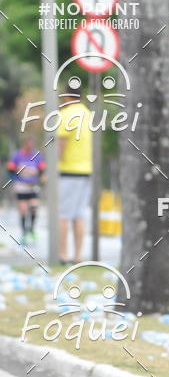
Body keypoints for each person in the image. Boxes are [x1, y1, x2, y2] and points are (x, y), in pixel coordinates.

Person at [57, 78, 93, 264]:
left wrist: (54, 164)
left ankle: (63, 254)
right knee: (79, 215)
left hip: (68, 171)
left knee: (63, 215)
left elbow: (62, 143)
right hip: (86, 171)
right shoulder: (87, 113)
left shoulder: (66, 114)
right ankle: (78, 256)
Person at [7, 137, 46, 245]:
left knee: (34, 208)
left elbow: (42, 169)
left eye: (32, 144)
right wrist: (18, 170)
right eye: (28, 144)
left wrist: (40, 176)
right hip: (21, 186)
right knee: (23, 210)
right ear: (24, 144)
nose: (30, 146)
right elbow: (10, 168)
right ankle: (24, 233)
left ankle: (31, 229)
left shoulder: (36, 155)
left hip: (33, 186)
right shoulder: (17, 155)